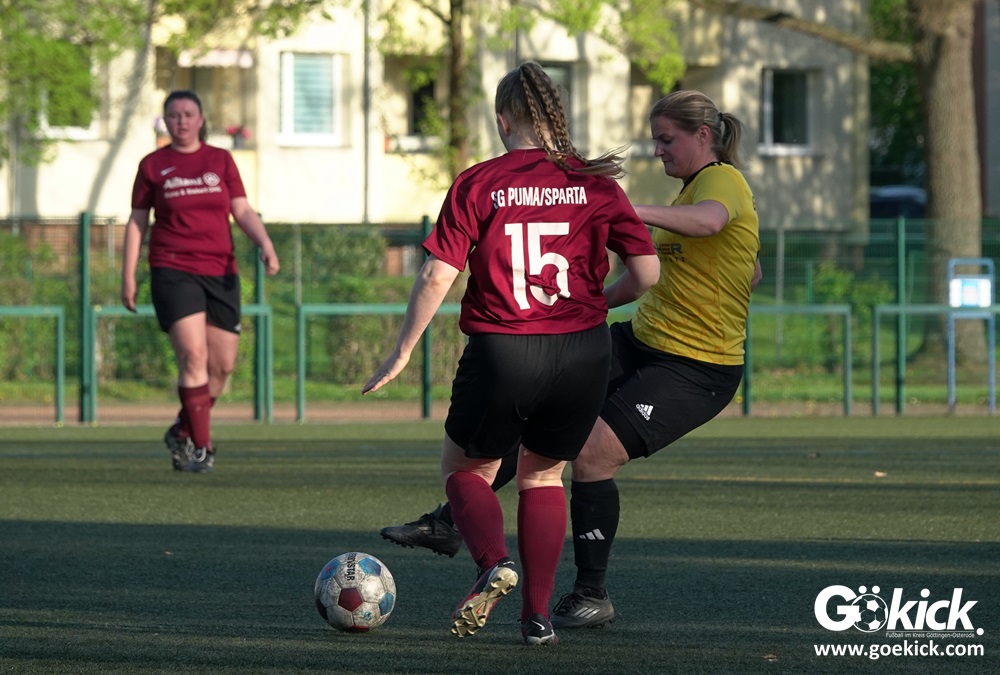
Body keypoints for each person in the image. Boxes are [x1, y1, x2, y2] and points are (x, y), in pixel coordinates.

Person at [380, 89, 762, 630]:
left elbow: (711, 223)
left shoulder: (721, 179)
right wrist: (586, 304)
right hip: (641, 340)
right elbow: (744, 265)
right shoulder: (685, 189)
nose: (658, 150)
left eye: (666, 139)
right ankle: (452, 523)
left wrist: (628, 209)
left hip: (695, 366)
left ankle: (591, 592)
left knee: (590, 456)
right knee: (537, 427)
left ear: (704, 136)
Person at [362, 61, 659, 646]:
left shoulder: (480, 182)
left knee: (464, 470)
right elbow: (646, 273)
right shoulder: (597, 183)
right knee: (543, 476)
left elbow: (437, 275)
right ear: (557, 116)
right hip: (584, 352)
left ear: (502, 120)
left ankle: (493, 562)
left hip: (505, 350)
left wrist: (400, 352)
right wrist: (593, 304)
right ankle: (537, 619)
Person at [121, 90, 280, 473]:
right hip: (172, 269)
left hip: (221, 271)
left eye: (188, 114)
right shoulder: (153, 165)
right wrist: (128, 276)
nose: (181, 121)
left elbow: (240, 208)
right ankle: (201, 448)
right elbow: (138, 221)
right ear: (165, 121)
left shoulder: (220, 160)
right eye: (174, 115)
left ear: (200, 119)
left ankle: (182, 429)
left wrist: (265, 243)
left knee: (221, 367)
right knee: (193, 357)